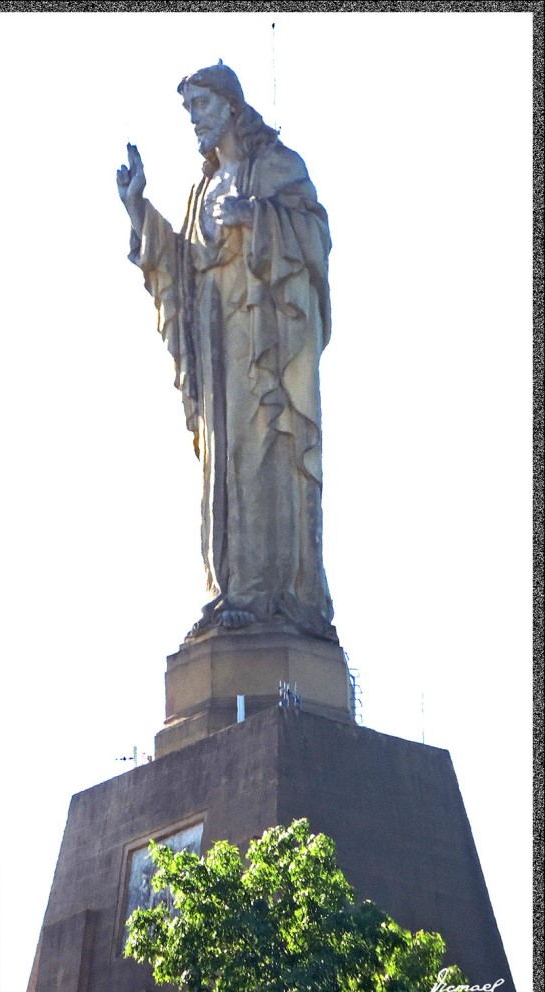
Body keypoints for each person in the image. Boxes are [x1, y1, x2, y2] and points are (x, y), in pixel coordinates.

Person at [117, 62, 336, 641]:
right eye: (189, 111)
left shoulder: (275, 168)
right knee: (223, 468)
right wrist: (139, 210)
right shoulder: (201, 192)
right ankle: (230, 591)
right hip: (217, 349)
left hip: (267, 350)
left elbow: (315, 237)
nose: (194, 122)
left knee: (266, 458)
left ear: (232, 108)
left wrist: (257, 218)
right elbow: (182, 273)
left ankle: (273, 596)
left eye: (202, 108)